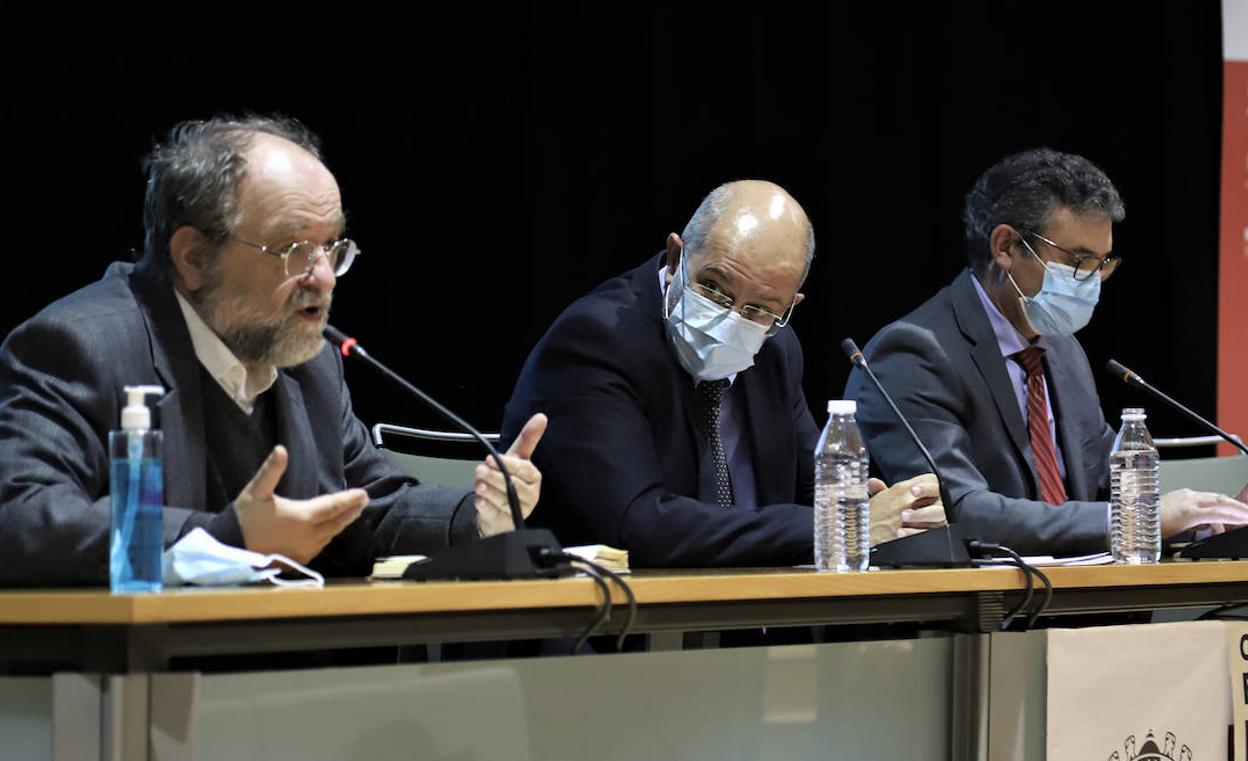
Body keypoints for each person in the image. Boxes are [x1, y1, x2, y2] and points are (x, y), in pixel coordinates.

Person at [0, 115, 546, 586]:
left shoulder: (308, 361)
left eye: (332, 247)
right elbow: (19, 516)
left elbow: (361, 505)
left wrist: (478, 514)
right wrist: (223, 538)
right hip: (125, 684)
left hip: (278, 678)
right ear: (192, 257)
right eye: (292, 249)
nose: (325, 278)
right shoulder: (82, 346)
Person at [499, 180, 943, 567]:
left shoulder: (774, 349)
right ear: (675, 257)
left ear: (789, 308)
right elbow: (639, 526)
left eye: (760, 308)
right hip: (598, 637)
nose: (731, 318)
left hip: (739, 629)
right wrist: (843, 525)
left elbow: (811, 490)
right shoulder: (597, 340)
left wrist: (870, 507)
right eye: (713, 287)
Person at [846, 148, 1248, 555]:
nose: (1092, 281)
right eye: (1077, 260)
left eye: (1102, 263)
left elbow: (1108, 490)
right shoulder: (913, 354)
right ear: (1005, 246)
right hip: (976, 611)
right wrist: (1139, 518)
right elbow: (958, 512)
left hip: (1079, 604)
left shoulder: (1062, 351)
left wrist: (1211, 519)